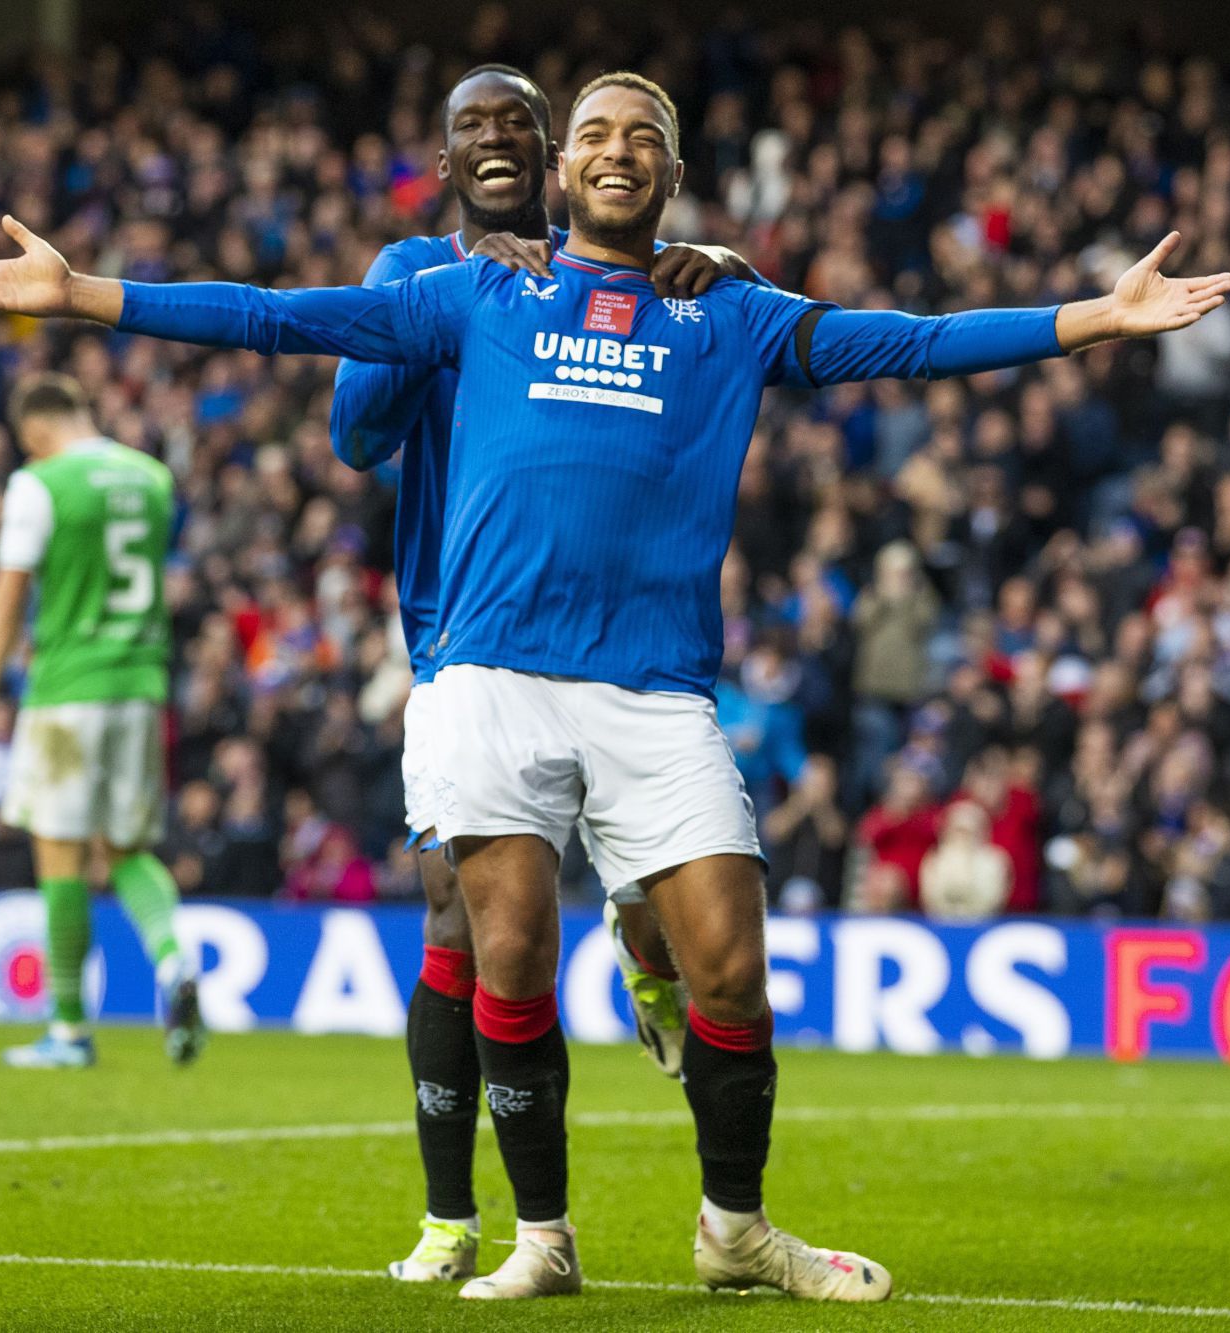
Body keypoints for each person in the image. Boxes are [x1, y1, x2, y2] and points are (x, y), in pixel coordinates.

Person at [0, 71, 1230, 1301]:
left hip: (655, 692)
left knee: (732, 971)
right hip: (488, 673)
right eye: (597, 135)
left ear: (673, 171)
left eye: (642, 137)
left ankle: (735, 1230)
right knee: (506, 952)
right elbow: (276, 315)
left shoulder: (727, 309)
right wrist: (83, 295)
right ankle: (540, 1236)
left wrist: (1094, 318)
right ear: (562, 170)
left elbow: (913, 342)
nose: (618, 152)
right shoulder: (477, 292)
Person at [326, 63, 757, 1285]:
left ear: (555, 156)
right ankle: (453, 1216)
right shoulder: (423, 273)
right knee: (464, 921)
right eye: (473, 126)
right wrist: (454, 306)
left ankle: (649, 964)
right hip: (460, 630)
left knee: (660, 901)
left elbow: (700, 309)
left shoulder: (632, 276)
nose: (498, 139)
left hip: (618, 642)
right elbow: (356, 436)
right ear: (446, 161)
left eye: (520, 122)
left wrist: (710, 265)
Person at [0, 374, 205, 1070]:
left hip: (68, 691)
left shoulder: (40, 483)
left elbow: (9, 597)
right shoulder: (151, 477)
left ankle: (67, 1031)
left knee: (61, 856)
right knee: (124, 848)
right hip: (141, 686)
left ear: (34, 429)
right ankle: (174, 957)